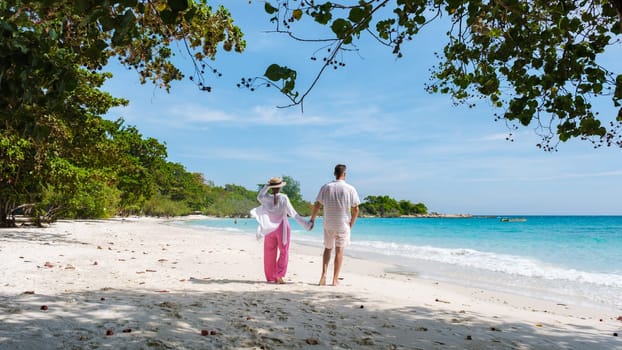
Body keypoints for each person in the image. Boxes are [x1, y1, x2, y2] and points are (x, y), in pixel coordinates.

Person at [250, 177, 310, 284]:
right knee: (284, 252)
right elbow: (293, 213)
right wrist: (306, 225)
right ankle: (278, 275)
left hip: (269, 228)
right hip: (282, 227)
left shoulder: (265, 198)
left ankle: (270, 277)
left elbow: (259, 196)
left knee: (269, 253)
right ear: (280, 187)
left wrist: (266, 187)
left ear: (271, 187)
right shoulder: (284, 198)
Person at [309, 164, 360, 286]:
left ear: (334, 173)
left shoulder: (326, 187)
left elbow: (317, 205)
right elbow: (356, 209)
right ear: (345, 174)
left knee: (327, 248)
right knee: (339, 251)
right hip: (343, 223)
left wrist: (312, 219)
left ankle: (323, 276)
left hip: (329, 222)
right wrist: (351, 224)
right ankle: (335, 280)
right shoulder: (350, 189)